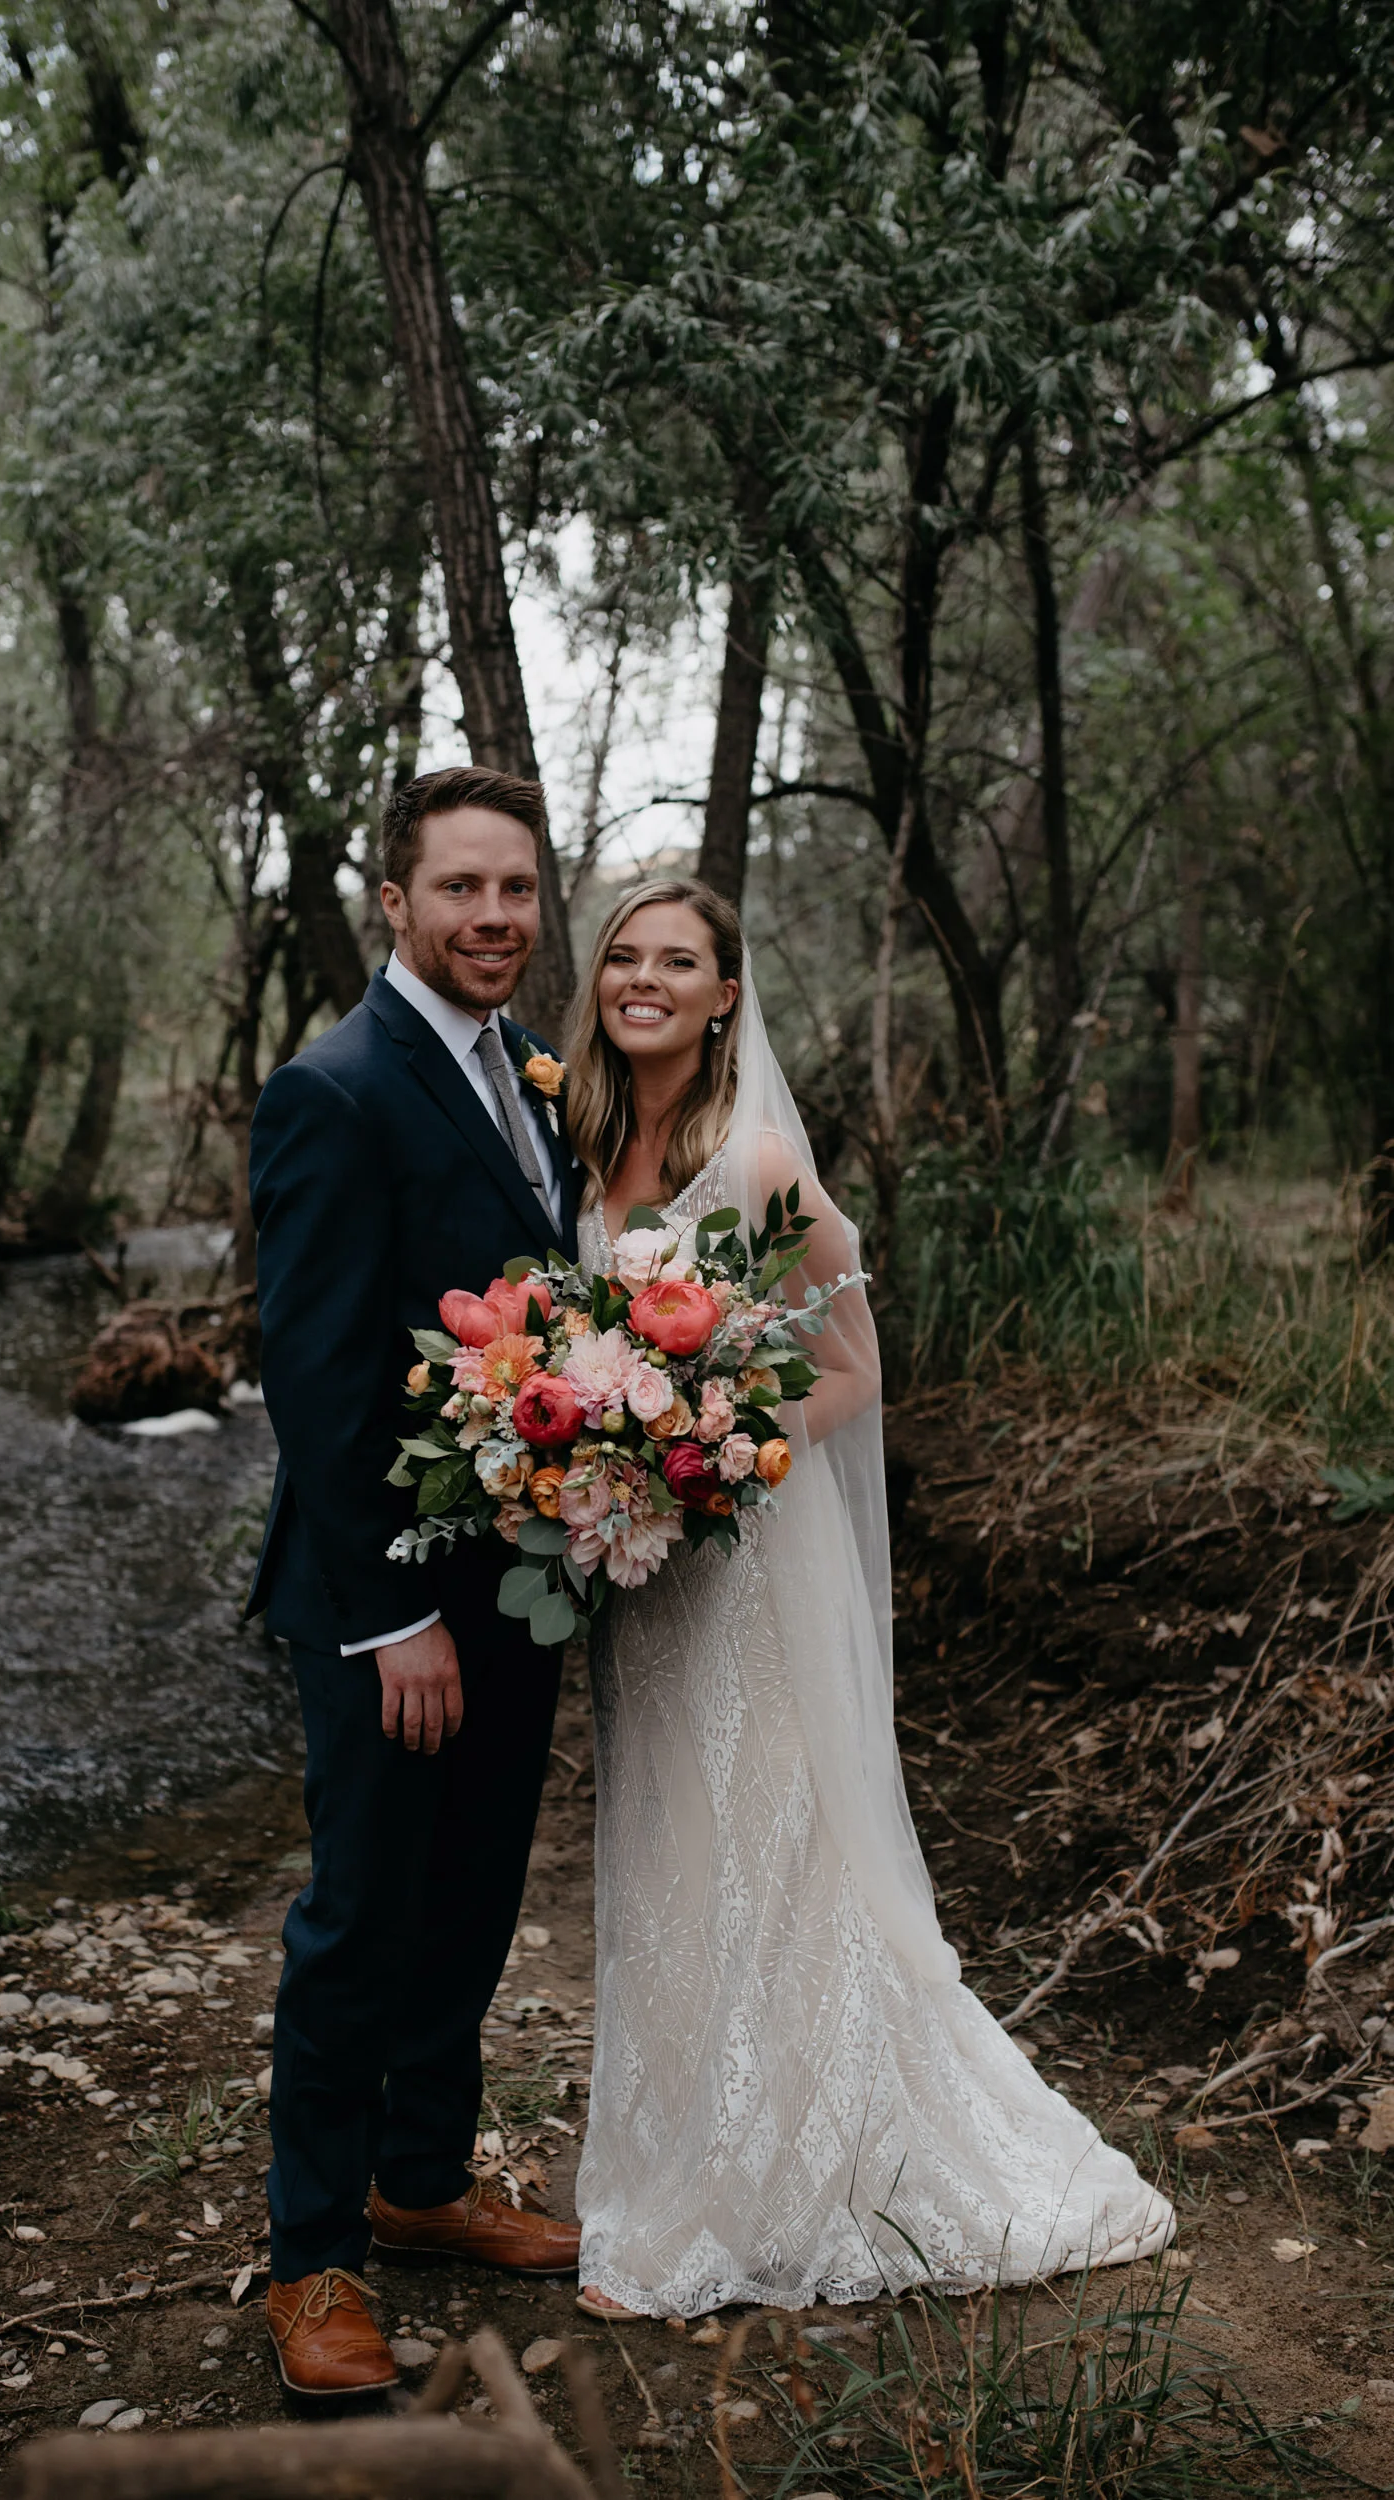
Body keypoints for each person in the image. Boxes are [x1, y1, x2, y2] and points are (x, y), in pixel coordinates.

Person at [564, 875, 1175, 2320]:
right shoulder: (583, 1149)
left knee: (776, 1854)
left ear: (726, 997)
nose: (645, 979)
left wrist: (713, 1451)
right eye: (625, 958)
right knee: (669, 1855)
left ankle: (793, 2180)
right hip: (643, 1576)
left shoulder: (757, 1158)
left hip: (742, 1567)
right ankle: (685, 2159)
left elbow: (853, 1370)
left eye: (681, 963)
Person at [245, 765, 583, 2397]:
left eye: (516, 889)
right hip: (383, 1597)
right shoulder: (337, 1087)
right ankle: (311, 2259)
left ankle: (422, 2180)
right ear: (396, 900)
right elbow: (311, 1380)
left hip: (517, 1571)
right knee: (362, 1916)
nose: (494, 918)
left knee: (473, 1898)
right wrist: (390, 1615)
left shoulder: (526, 1069)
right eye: (461, 889)